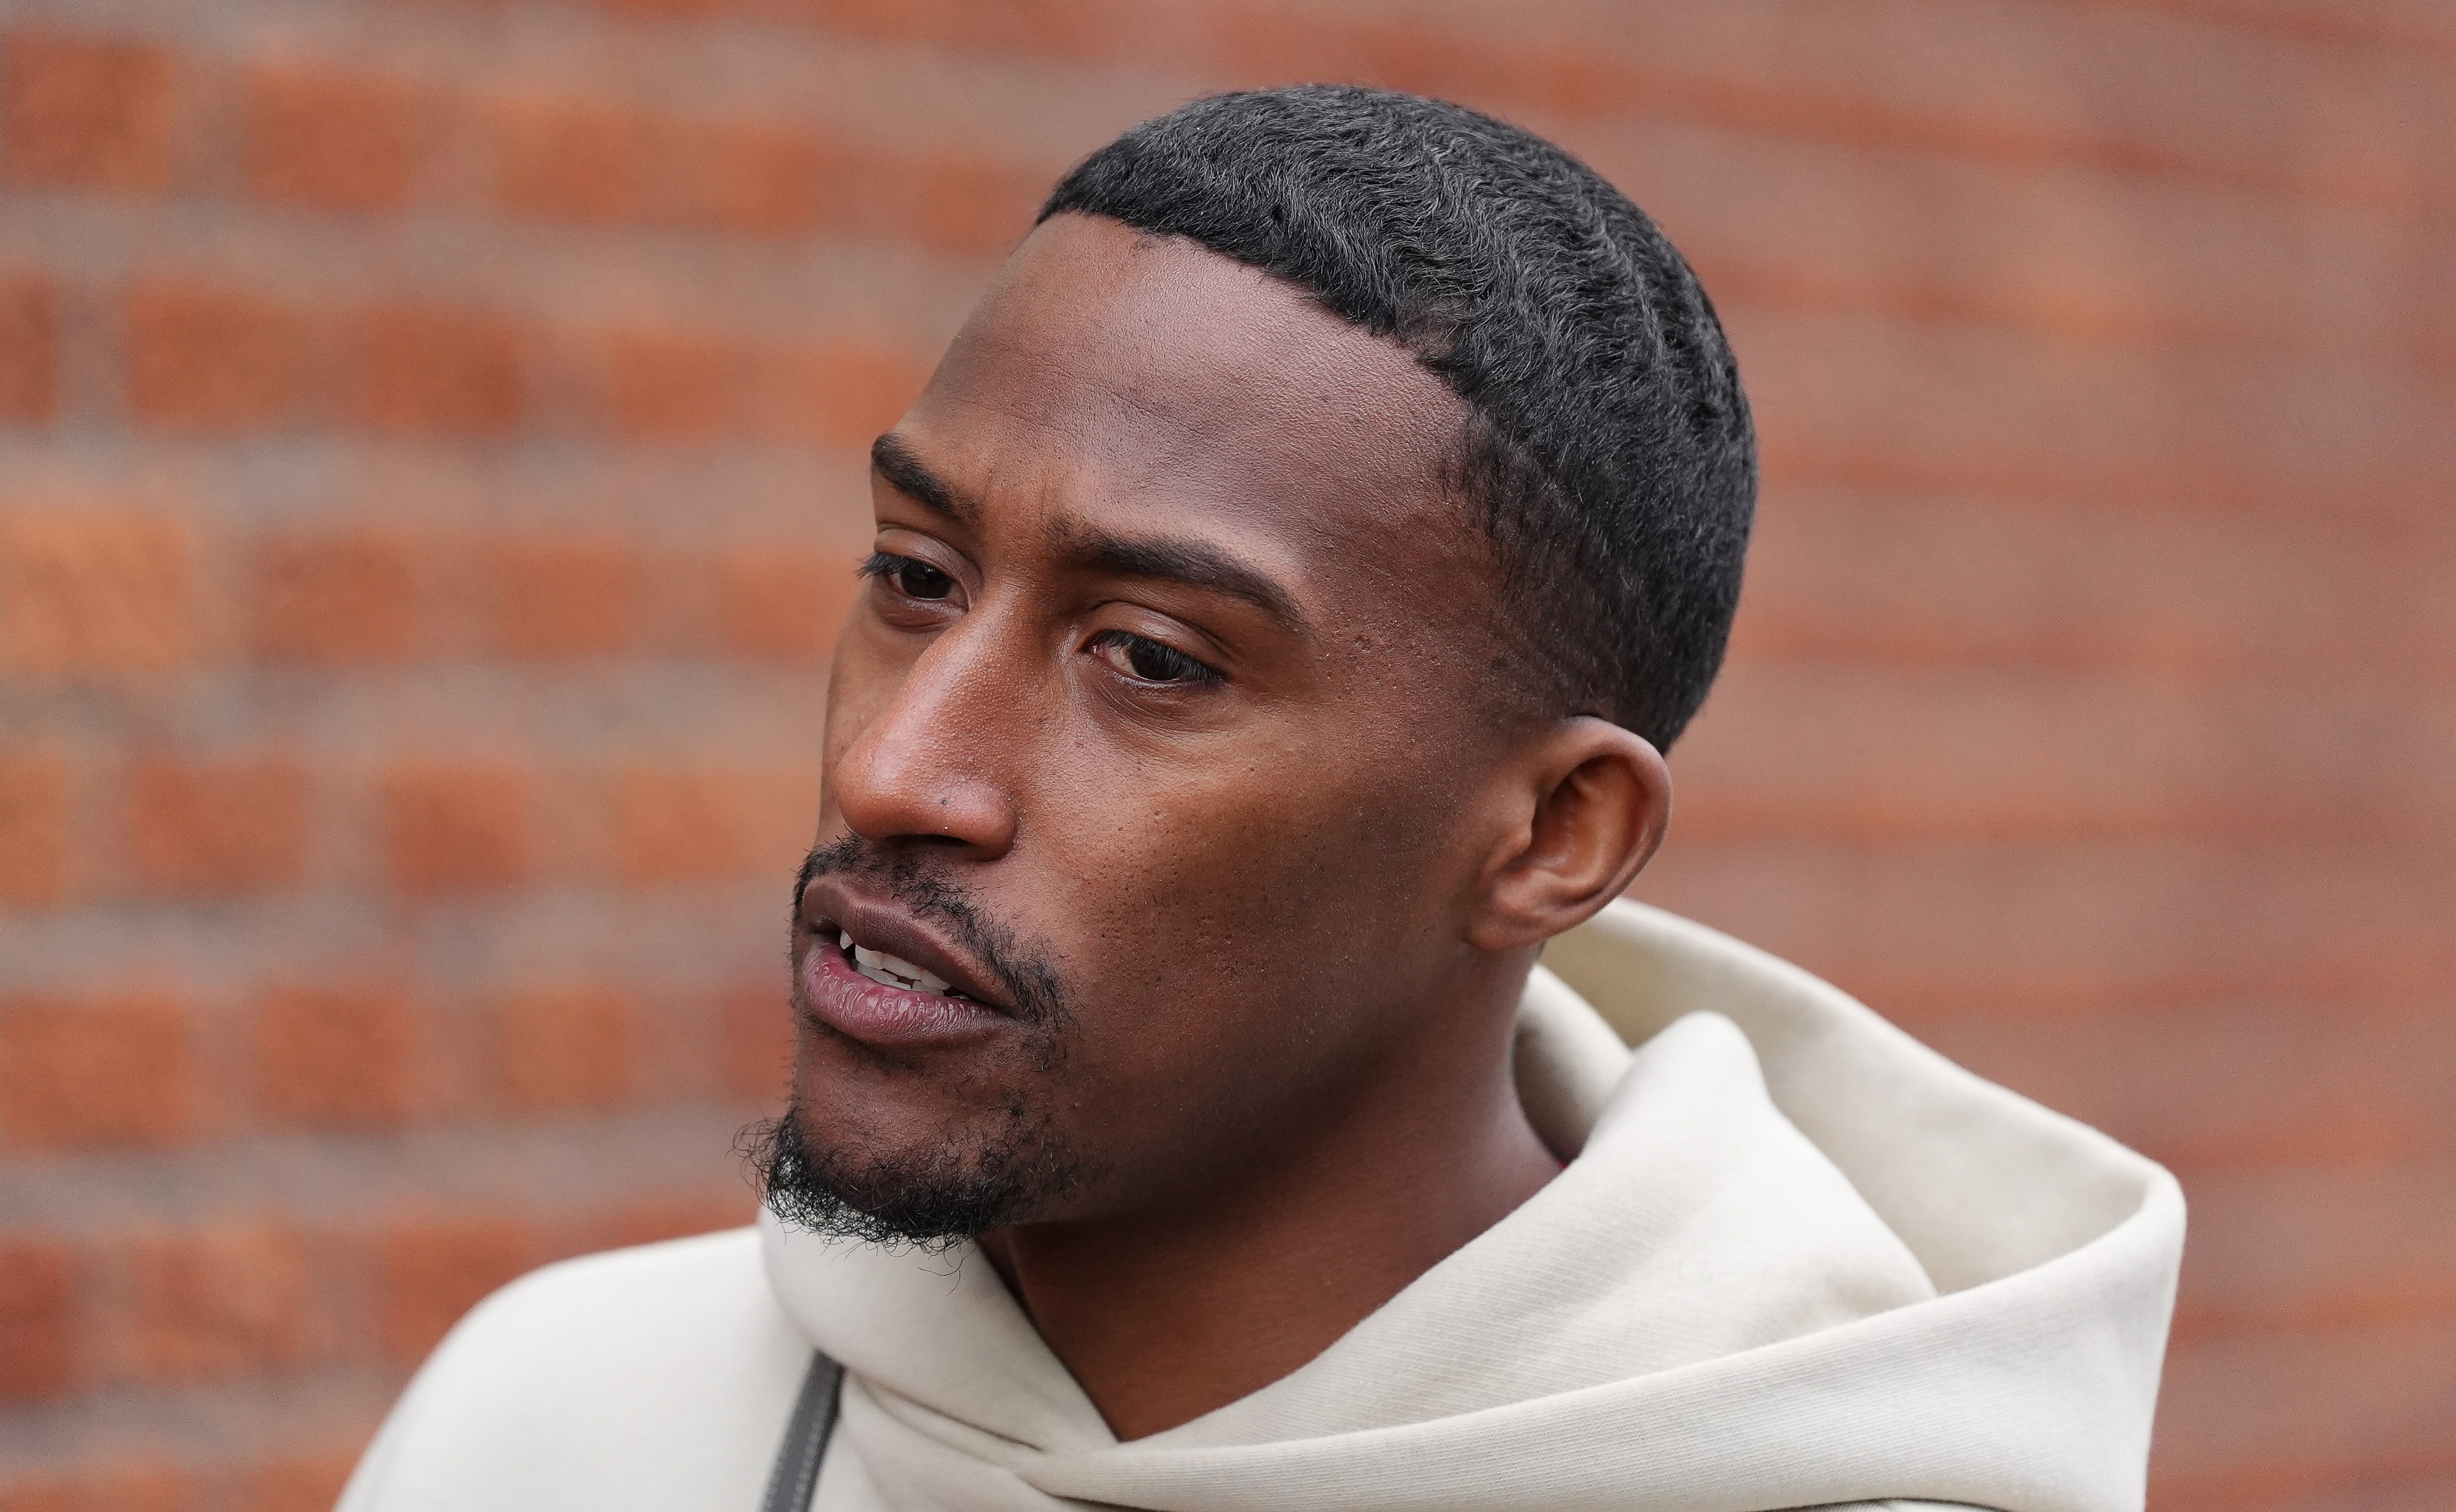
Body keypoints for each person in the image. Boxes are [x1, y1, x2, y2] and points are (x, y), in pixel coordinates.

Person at [334, 85, 2182, 1512]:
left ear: (1553, 841)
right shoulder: (553, 1424)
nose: (894, 772)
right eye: (914, 575)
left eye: (1150, 658)